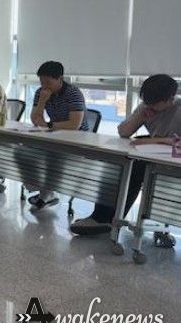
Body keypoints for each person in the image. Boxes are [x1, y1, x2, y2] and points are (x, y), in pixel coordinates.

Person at [71, 74, 181, 235]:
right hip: (154, 156)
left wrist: (154, 140)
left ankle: (109, 219)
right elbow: (124, 132)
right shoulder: (146, 107)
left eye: (154, 103)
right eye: (147, 101)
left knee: (135, 169)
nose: (149, 105)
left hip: (173, 163)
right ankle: (101, 218)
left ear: (170, 98)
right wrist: (140, 115)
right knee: (116, 164)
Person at [26, 61, 89, 210]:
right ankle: (43, 190)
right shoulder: (41, 92)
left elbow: (74, 125)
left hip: (77, 140)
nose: (44, 86)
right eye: (41, 82)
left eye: (48, 82)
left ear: (60, 79)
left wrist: (48, 125)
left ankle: (47, 193)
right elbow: (35, 119)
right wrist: (42, 101)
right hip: (55, 137)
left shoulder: (73, 93)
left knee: (50, 156)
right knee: (25, 152)